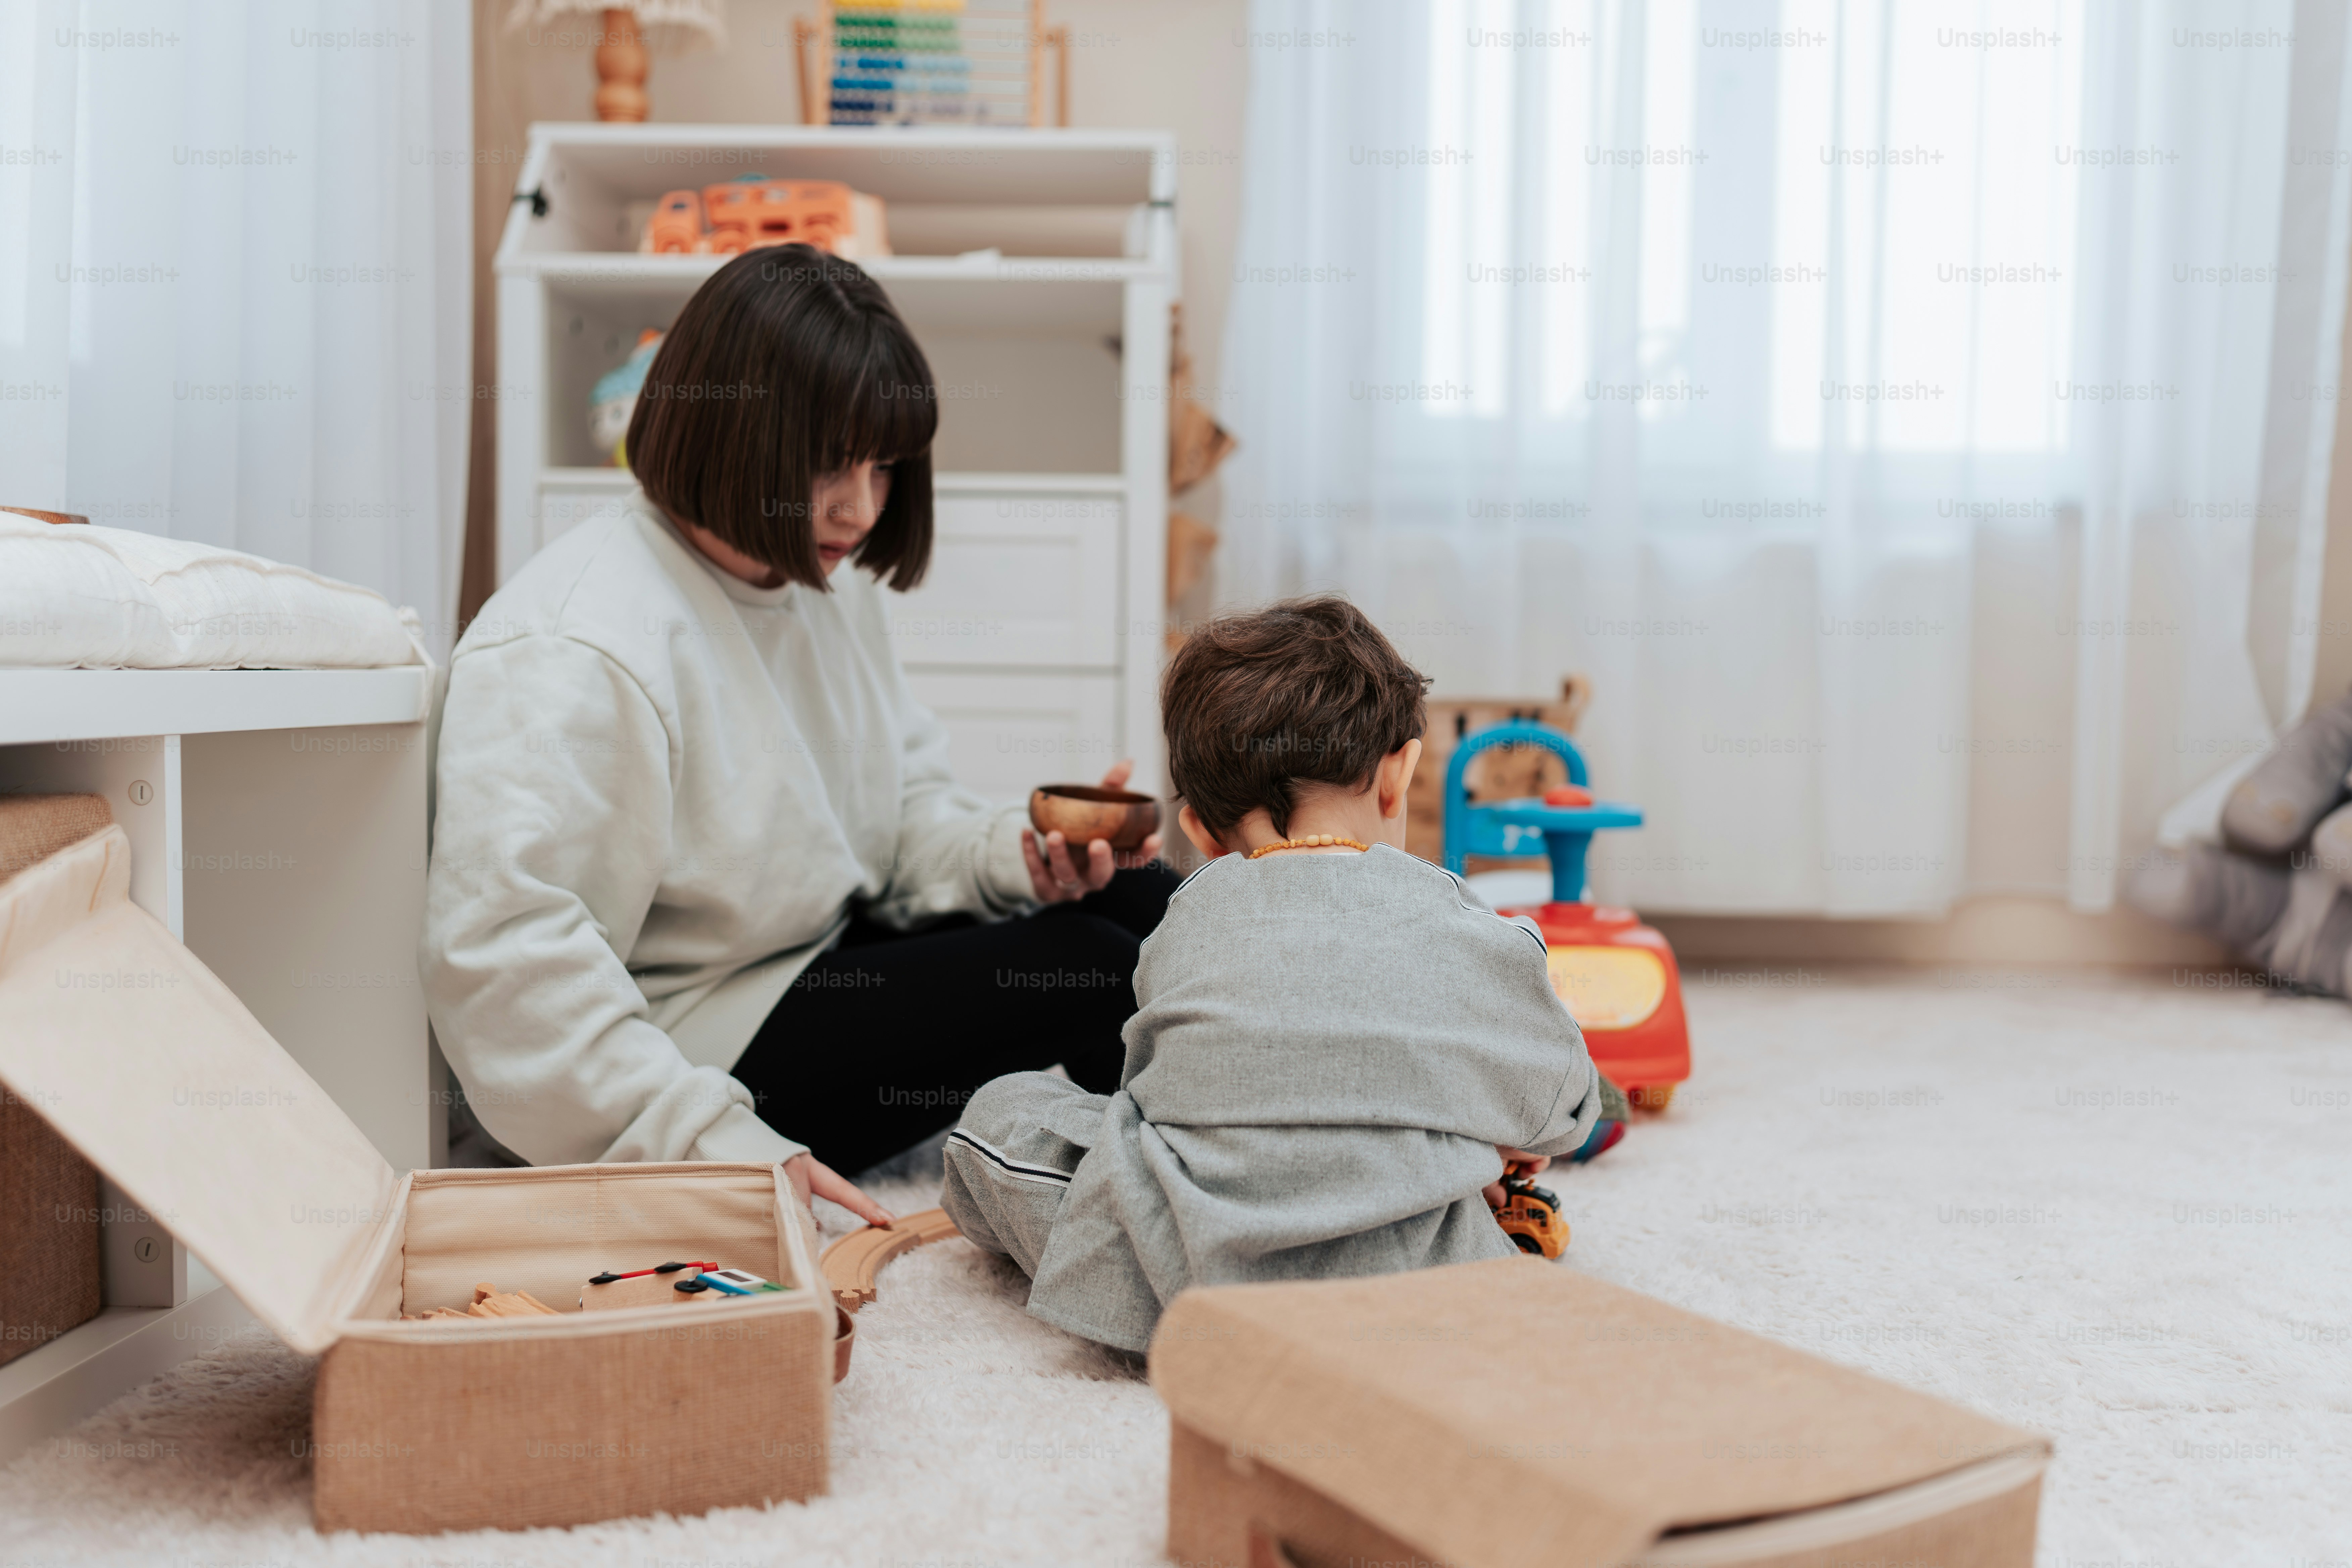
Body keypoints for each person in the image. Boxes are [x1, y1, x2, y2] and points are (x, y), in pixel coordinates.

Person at [420, 246, 1170, 1227]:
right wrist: (715, 1149)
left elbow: (901, 820)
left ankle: (1320, 1105)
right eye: (828, 465)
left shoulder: (818, 583)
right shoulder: (577, 640)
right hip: (694, 1050)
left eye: (883, 468)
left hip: (818, 956)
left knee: (1147, 899)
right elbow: (508, 965)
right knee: (1086, 971)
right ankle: (1246, 1180)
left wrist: (1026, 859)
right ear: (724, 430)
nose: (860, 509)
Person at [938, 596, 1610, 1352]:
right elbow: (1570, 1110)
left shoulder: (1189, 913)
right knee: (1458, 1128)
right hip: (1426, 1275)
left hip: (1186, 1283)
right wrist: (1489, 1137)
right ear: (1400, 779)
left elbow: (1151, 1097)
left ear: (1197, 830)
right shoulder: (1475, 927)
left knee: (998, 1117)